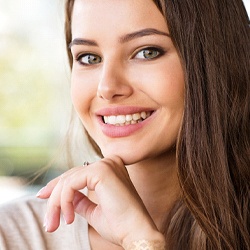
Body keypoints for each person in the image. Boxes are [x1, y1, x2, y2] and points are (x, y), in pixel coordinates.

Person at [0, 0, 249, 249]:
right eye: (89, 57)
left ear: (217, 59)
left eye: (146, 52)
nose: (107, 88)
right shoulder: (12, 236)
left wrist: (141, 241)